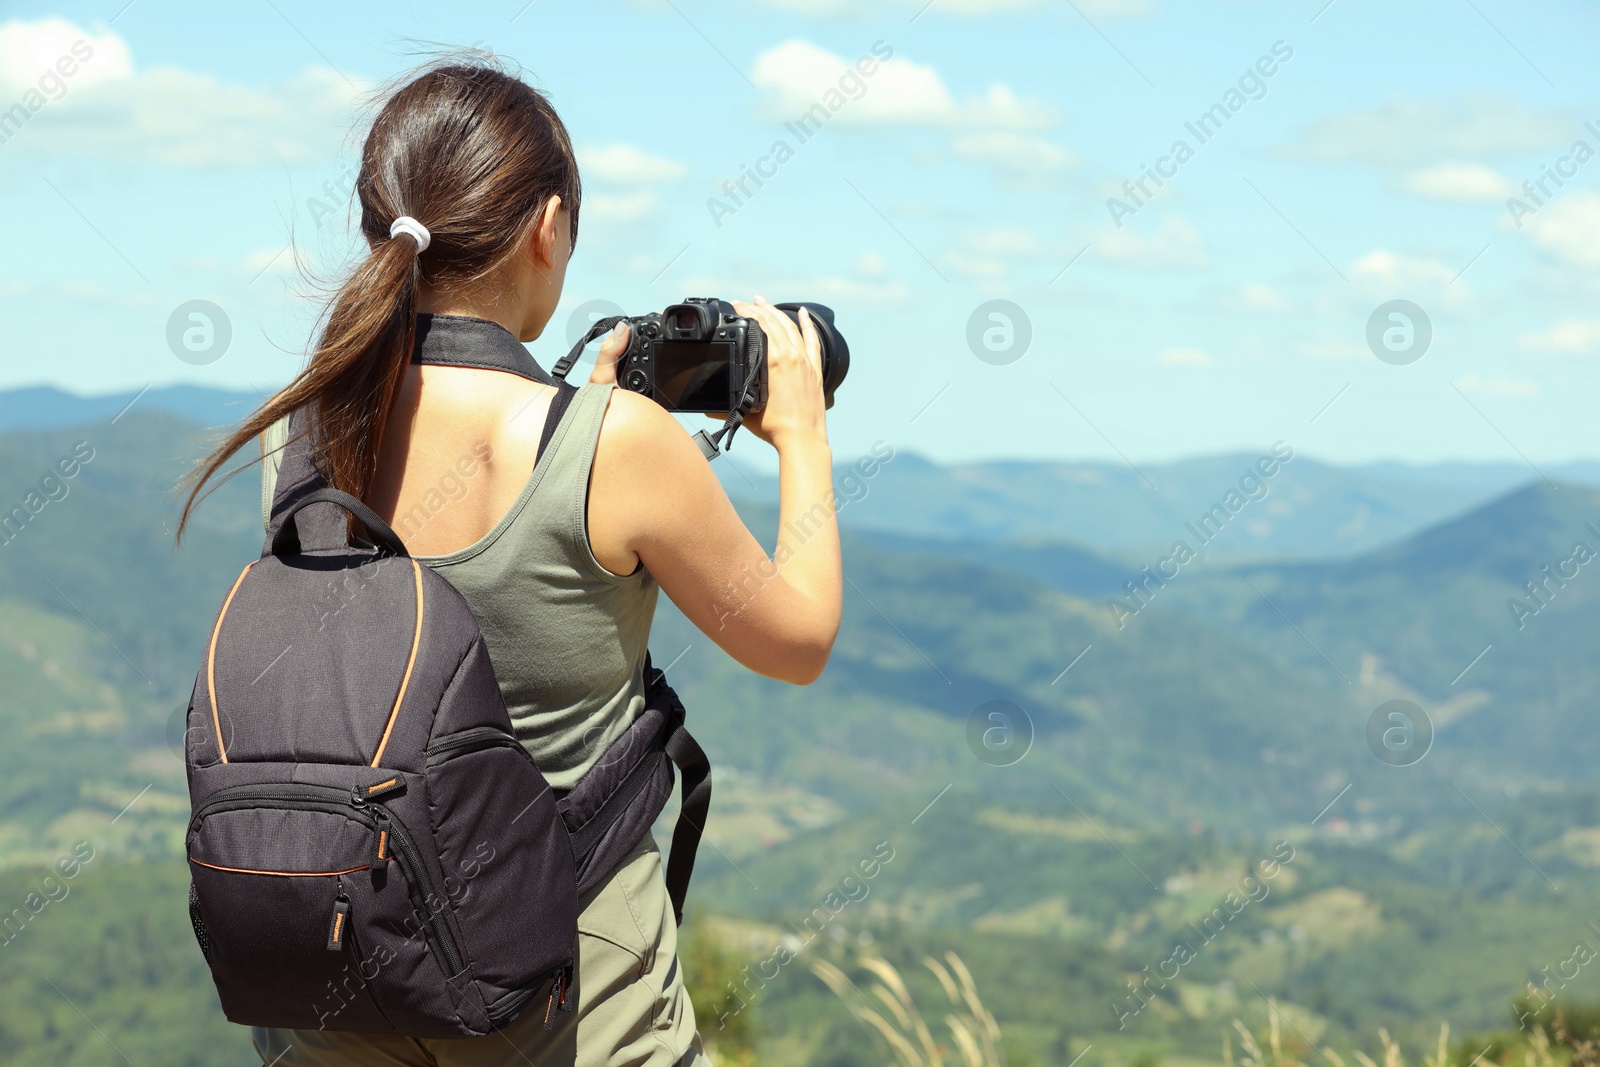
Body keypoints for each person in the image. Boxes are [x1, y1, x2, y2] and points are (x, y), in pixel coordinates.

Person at [178, 57, 843, 1067]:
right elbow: (798, 639)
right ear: (547, 226)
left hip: (337, 1006)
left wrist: (593, 410)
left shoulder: (304, 434)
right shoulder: (615, 445)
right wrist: (799, 434)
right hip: (576, 1019)